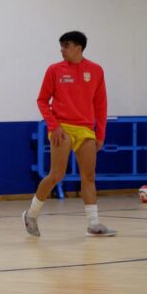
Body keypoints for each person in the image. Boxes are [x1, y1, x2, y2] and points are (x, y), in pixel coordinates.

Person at [23, 31, 115, 237]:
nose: (62, 49)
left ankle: (93, 224)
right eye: (61, 45)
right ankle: (31, 214)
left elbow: (101, 104)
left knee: (89, 176)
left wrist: (100, 133)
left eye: (66, 45)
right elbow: (42, 100)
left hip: (85, 129)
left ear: (78, 48)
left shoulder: (96, 70)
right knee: (57, 175)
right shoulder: (54, 70)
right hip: (61, 128)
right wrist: (53, 126)